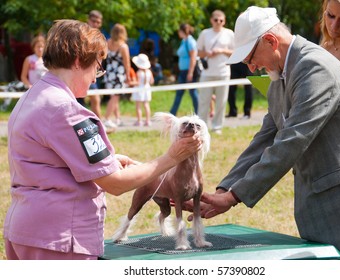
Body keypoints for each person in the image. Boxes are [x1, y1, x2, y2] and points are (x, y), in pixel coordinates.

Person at [188, 6, 340, 260]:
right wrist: (224, 189)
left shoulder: (314, 68)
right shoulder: (280, 74)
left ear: (271, 41)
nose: (251, 68)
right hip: (326, 212)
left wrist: (234, 196)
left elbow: (292, 141)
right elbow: (265, 138)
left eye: (250, 58)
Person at [3, 19, 203, 260]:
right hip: (60, 240)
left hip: (25, 231)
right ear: (78, 61)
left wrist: (109, 160)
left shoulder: (31, 97)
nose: (96, 77)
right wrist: (172, 157)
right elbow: (116, 183)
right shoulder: (68, 111)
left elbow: (49, 158)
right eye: (97, 67)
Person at [197, 10, 234, 134]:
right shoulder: (205, 33)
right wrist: (207, 53)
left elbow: (235, 52)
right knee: (203, 101)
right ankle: (201, 127)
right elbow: (198, 52)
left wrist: (222, 50)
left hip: (223, 72)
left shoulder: (229, 34)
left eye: (221, 20)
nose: (218, 22)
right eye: (216, 20)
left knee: (221, 102)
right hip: (207, 73)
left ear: (224, 21)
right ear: (211, 20)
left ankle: (217, 127)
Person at [103, 23, 132, 129]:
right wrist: (128, 76)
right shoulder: (123, 46)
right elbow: (127, 63)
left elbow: (104, 57)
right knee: (115, 97)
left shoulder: (108, 43)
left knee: (113, 97)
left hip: (109, 73)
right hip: (119, 74)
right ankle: (106, 118)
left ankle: (118, 118)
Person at [170, 23, 199, 116]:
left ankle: (198, 113)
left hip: (188, 71)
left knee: (193, 93)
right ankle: (172, 113)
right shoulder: (184, 41)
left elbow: (193, 57)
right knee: (180, 92)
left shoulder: (190, 41)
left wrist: (190, 72)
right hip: (183, 71)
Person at [131, 53, 154, 126]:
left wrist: (131, 83)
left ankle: (139, 120)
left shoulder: (138, 72)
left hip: (139, 89)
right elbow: (152, 81)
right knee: (146, 105)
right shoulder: (149, 72)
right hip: (147, 88)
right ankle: (148, 120)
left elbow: (137, 82)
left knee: (138, 106)